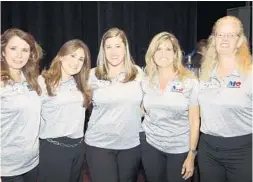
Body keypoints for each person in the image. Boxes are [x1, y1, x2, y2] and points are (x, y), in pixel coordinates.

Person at [85, 27, 144, 182]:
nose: (113, 51)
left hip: (131, 145)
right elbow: (83, 103)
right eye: (108, 47)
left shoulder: (137, 73)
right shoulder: (92, 75)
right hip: (99, 145)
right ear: (103, 50)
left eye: (118, 46)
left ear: (125, 48)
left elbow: (147, 105)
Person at [198, 15, 252, 182]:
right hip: (208, 149)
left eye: (231, 35)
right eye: (220, 35)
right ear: (213, 39)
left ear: (239, 40)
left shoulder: (249, 73)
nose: (225, 39)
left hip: (243, 150)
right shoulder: (205, 72)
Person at [141, 32, 200, 182]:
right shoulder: (146, 80)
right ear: (152, 54)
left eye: (168, 49)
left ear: (175, 54)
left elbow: (194, 121)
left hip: (180, 149)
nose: (163, 53)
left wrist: (192, 154)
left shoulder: (189, 81)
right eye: (158, 49)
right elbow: (140, 110)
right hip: (150, 146)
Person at [38, 39, 91, 182]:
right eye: (72, 56)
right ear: (61, 56)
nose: (76, 62)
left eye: (81, 59)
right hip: (53, 148)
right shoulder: (42, 82)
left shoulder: (81, 84)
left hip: (78, 148)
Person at [1, 28, 43, 182]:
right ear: (3, 51)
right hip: (7, 169)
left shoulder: (31, 79)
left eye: (25, 50)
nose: (19, 55)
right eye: (13, 49)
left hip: (31, 163)